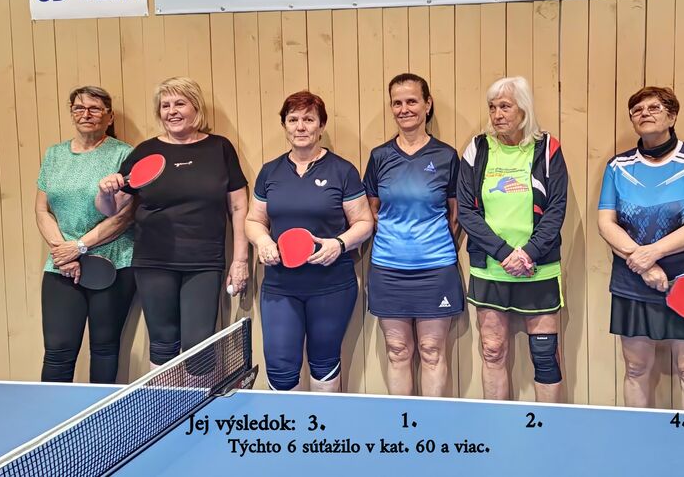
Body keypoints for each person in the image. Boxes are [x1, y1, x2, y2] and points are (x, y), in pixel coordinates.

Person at [96, 77, 249, 370]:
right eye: (165, 105)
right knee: (163, 343)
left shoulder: (219, 148)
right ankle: (162, 402)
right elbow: (111, 208)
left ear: (196, 107)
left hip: (204, 260)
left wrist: (240, 260)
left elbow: (239, 206)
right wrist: (104, 192)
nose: (172, 111)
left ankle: (197, 401)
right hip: (154, 259)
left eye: (180, 103)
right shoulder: (145, 151)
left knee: (198, 347)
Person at [598, 86, 684, 410]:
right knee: (636, 369)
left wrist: (653, 253)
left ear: (672, 116)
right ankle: (638, 437)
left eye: (654, 108)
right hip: (632, 279)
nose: (645, 114)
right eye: (637, 110)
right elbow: (606, 224)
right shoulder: (617, 166)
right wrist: (643, 264)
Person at [245, 90, 373, 392]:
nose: (300, 127)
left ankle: (322, 423)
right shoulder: (270, 171)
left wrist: (338, 244)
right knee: (280, 367)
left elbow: (364, 222)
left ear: (321, 125)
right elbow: (253, 220)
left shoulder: (342, 170)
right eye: (293, 120)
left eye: (308, 119)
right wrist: (263, 241)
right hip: (280, 285)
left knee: (324, 362)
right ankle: (288, 423)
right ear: (284, 126)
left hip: (331, 285)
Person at [457, 76, 568, 402]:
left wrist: (529, 253)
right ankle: (498, 426)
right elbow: (466, 211)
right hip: (491, 268)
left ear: (524, 109)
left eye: (505, 106)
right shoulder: (477, 148)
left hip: (538, 268)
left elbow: (556, 208)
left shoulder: (547, 148)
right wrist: (505, 253)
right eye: (492, 107)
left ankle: (546, 426)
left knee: (545, 354)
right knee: (492, 349)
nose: (497, 114)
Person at [363, 73, 463, 396]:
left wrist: (428, 244)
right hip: (388, 269)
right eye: (397, 103)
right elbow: (371, 210)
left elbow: (455, 214)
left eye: (411, 101)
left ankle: (431, 421)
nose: (404, 109)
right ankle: (403, 422)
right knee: (397, 351)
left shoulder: (446, 156)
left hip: (436, 269)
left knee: (432, 351)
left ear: (427, 104)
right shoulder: (380, 157)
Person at [35, 86, 136, 383]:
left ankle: (99, 412)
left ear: (109, 116)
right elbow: (42, 209)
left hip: (113, 262)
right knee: (57, 351)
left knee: (105, 348)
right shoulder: (54, 154)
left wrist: (80, 246)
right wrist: (63, 252)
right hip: (62, 264)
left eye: (95, 109)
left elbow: (125, 216)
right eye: (79, 108)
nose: (86, 114)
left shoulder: (124, 154)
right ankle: (53, 412)